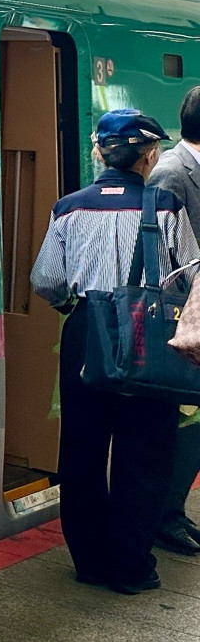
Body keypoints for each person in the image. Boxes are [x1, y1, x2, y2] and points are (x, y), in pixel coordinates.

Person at [34, 108, 197, 592]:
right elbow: (191, 274)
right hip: (149, 335)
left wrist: (78, 306)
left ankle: (89, 562)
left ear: (98, 152)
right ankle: (130, 567)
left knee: (82, 452)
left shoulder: (68, 207)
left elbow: (46, 281)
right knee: (144, 452)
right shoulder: (164, 204)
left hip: (86, 332)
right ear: (150, 156)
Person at [144, 87, 200, 558]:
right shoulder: (171, 174)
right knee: (185, 419)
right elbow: (163, 258)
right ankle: (165, 514)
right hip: (183, 318)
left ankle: (173, 509)